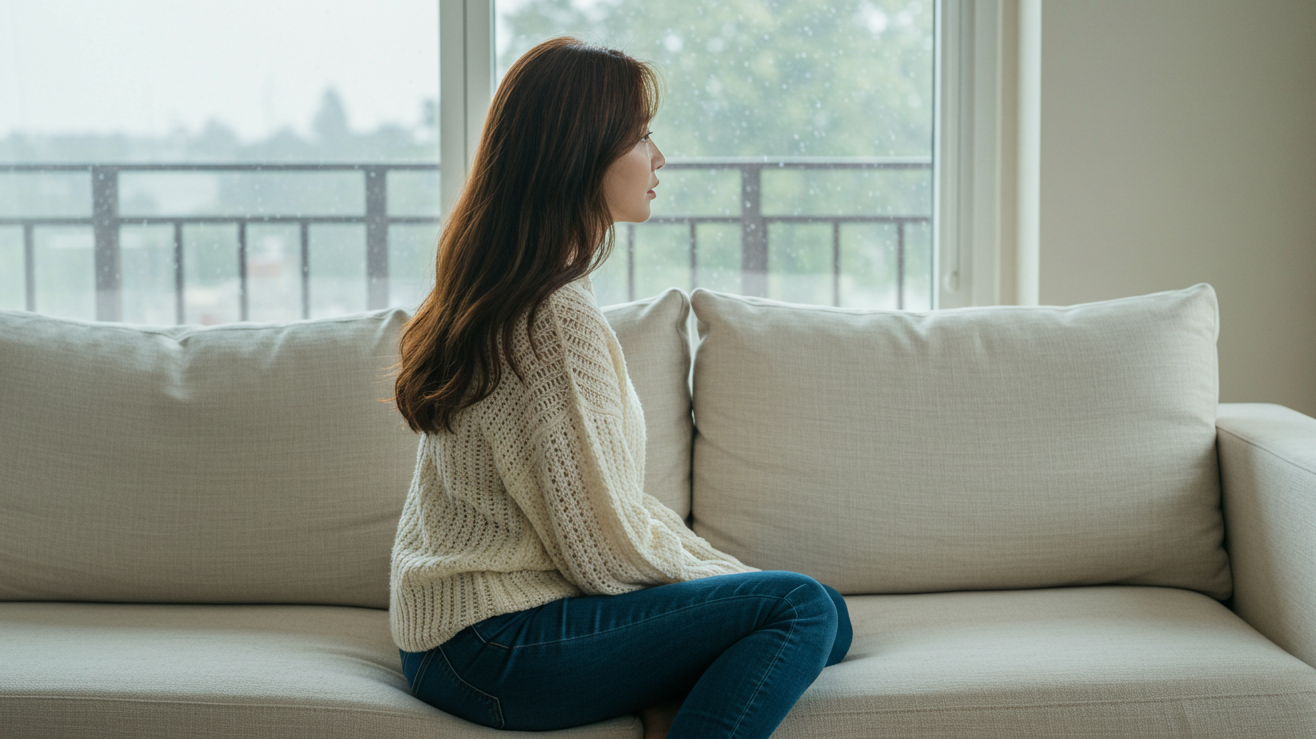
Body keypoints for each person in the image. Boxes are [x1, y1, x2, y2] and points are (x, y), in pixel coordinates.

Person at [388, 36, 852, 739]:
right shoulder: (550, 317)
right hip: (493, 646)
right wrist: (730, 586)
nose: (658, 158)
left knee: (825, 614)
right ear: (580, 154)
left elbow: (607, 511)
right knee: (805, 610)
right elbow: (601, 550)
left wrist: (725, 581)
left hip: (453, 640)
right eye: (640, 138)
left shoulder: (511, 287)